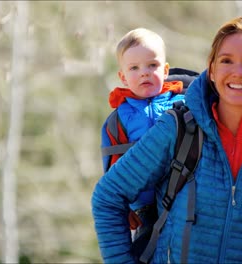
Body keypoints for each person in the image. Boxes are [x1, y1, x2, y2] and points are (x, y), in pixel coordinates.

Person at [92, 16, 242, 263]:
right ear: (212, 68)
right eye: (226, 61)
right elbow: (107, 197)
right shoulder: (179, 128)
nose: (238, 73)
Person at [99, 28, 185, 241]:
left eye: (152, 65)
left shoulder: (184, 105)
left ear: (165, 70)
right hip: (145, 206)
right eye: (134, 68)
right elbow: (113, 167)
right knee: (145, 250)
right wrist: (121, 206)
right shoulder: (118, 119)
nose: (144, 72)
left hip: (188, 196)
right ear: (123, 77)